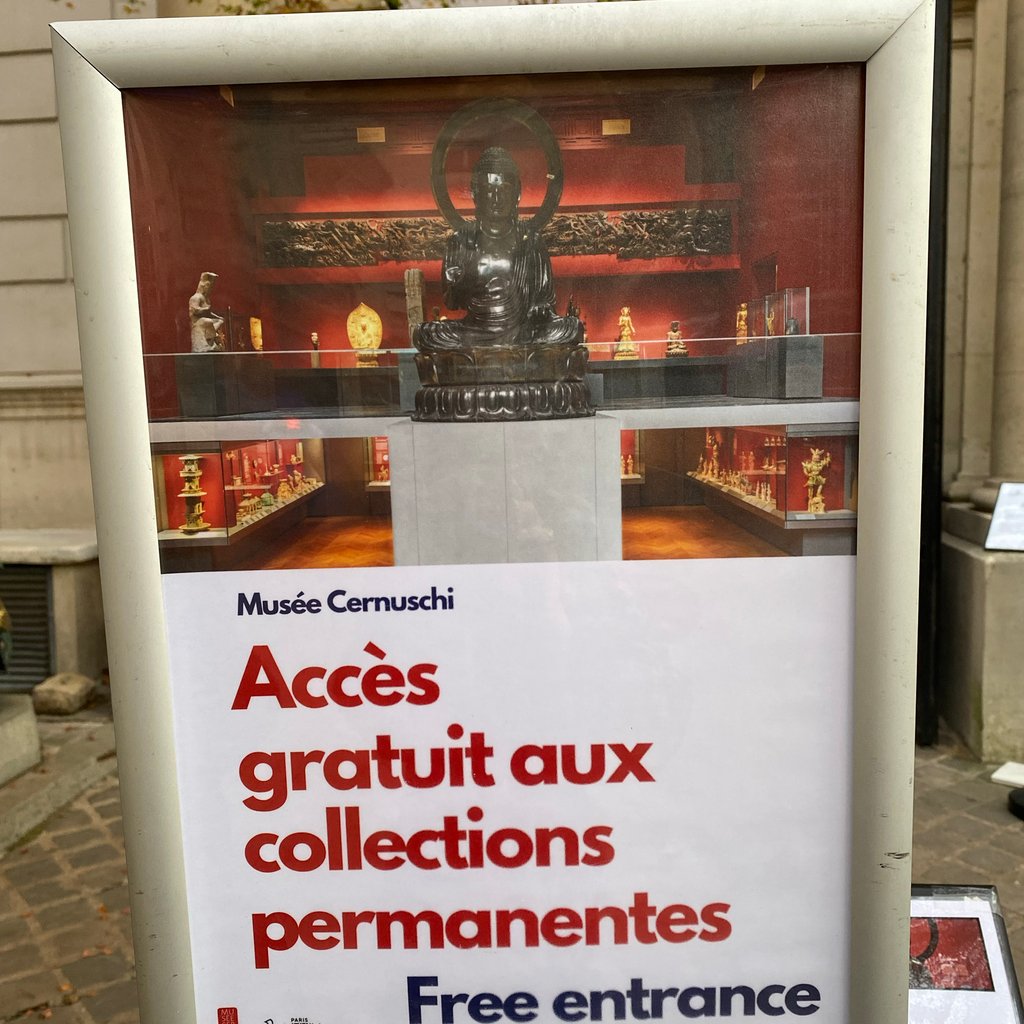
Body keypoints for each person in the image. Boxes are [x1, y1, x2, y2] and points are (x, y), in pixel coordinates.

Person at [414, 147, 580, 352]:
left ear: (517, 194)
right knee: (427, 334)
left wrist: (541, 309)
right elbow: (452, 300)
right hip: (475, 330)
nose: (496, 198)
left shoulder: (530, 239)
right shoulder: (462, 239)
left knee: (569, 329)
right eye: (489, 191)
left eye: (504, 191)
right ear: (475, 195)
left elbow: (545, 299)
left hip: (522, 331)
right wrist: (469, 272)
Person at [188, 272, 225, 353]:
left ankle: (212, 341)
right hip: (197, 322)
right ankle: (207, 343)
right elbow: (195, 311)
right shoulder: (196, 298)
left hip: (204, 319)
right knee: (208, 321)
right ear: (205, 286)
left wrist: (218, 318)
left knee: (219, 321)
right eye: (209, 287)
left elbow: (209, 313)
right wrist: (205, 309)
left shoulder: (206, 299)